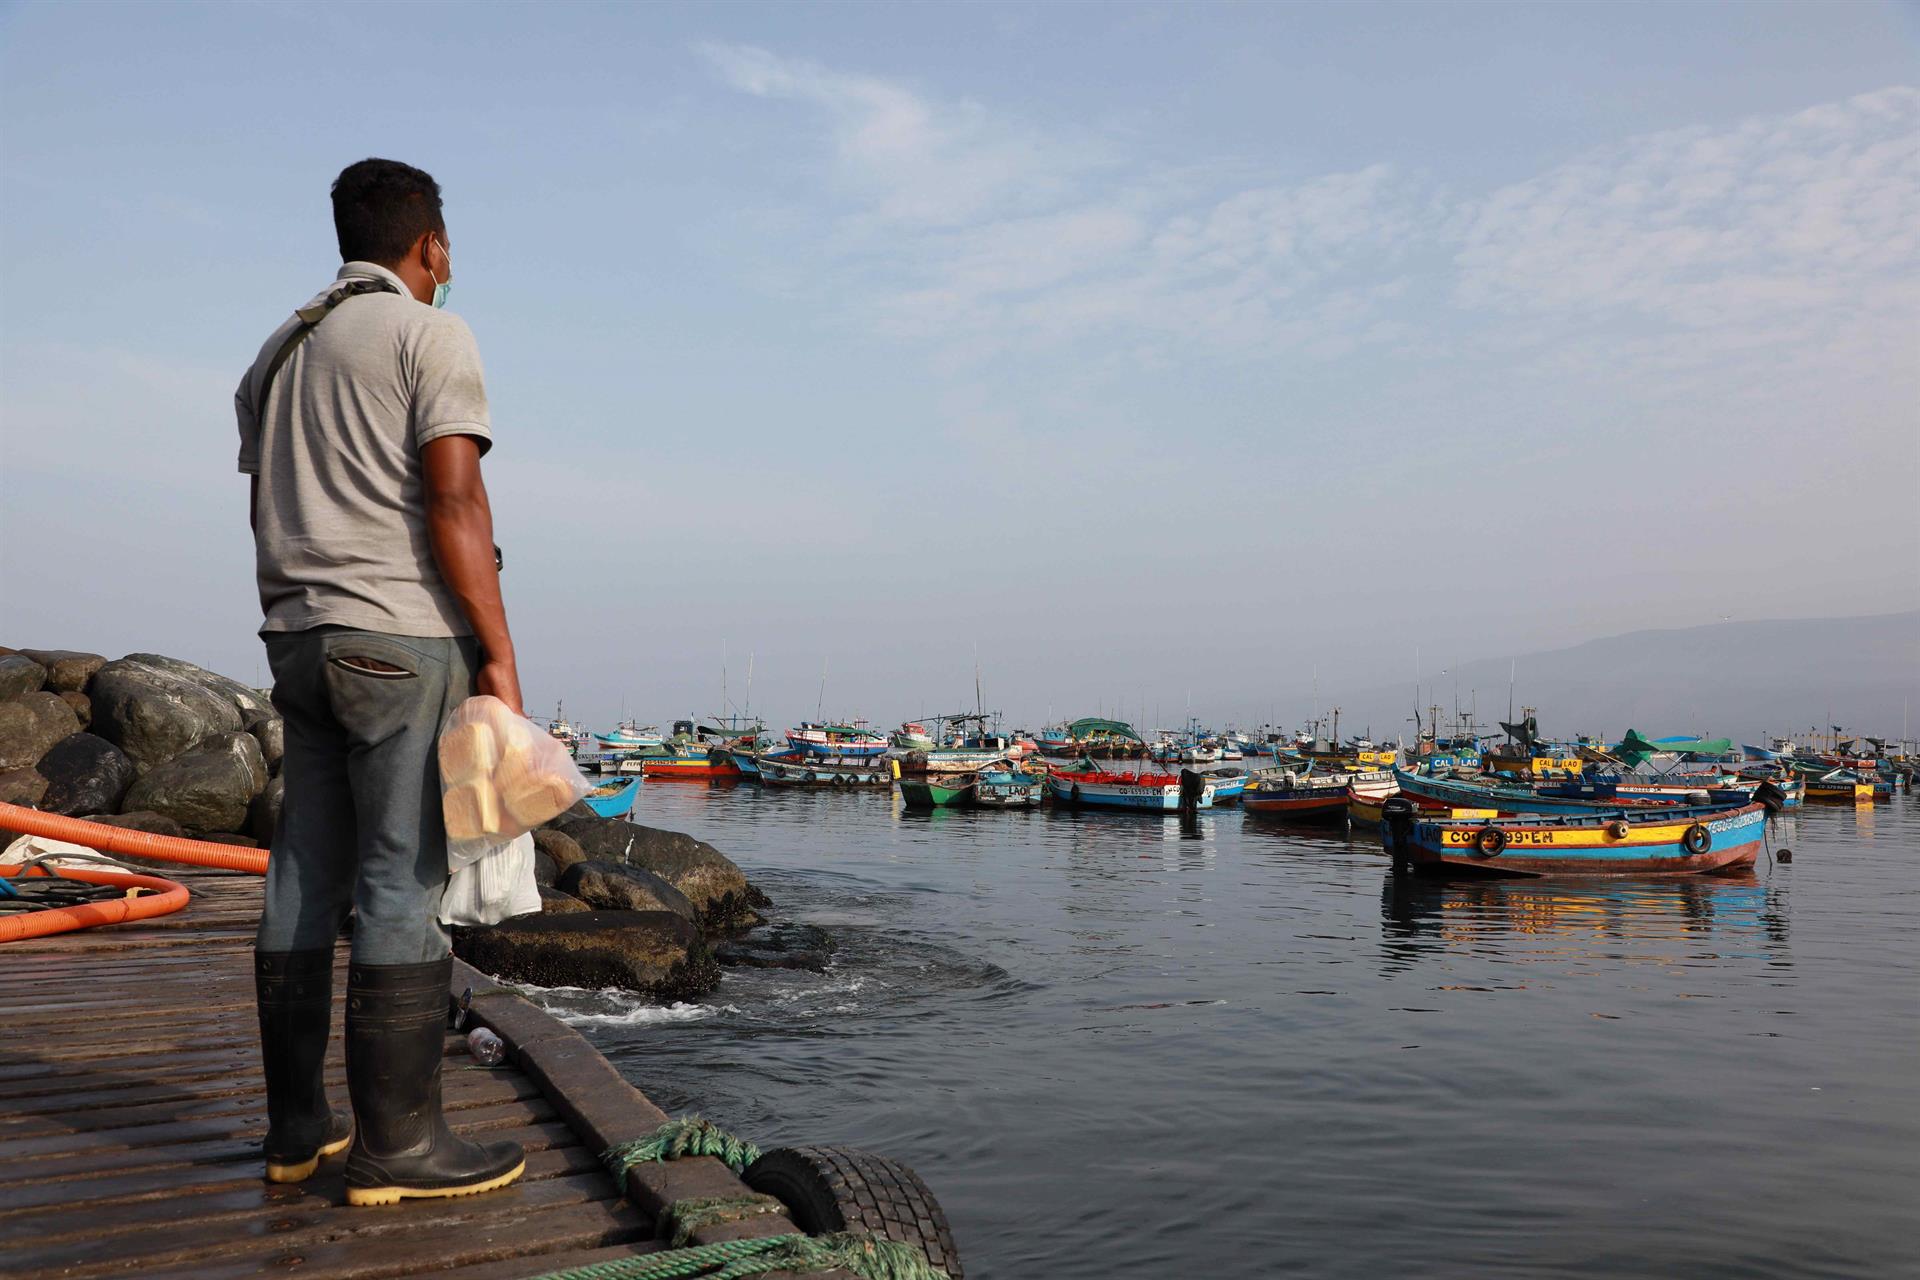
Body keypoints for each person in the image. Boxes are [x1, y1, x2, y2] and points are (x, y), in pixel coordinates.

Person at [235, 157, 524, 1205]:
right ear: (430, 246)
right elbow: (454, 503)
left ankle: (295, 1127)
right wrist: (498, 652)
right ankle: (398, 1148)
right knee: (402, 880)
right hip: (398, 643)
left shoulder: (281, 349)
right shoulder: (429, 332)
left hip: (297, 639)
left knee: (303, 872)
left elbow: (268, 502)